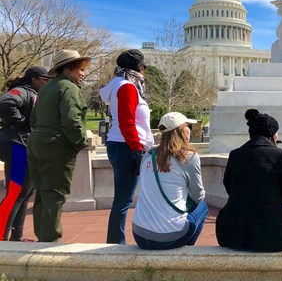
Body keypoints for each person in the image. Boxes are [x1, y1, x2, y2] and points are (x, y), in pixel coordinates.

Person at [27, 50, 90, 242]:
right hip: (56, 146)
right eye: (80, 69)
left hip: (36, 142)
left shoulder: (46, 88)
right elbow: (72, 121)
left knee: (42, 192)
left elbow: (33, 118)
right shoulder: (69, 88)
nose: (83, 73)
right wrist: (81, 142)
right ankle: (50, 241)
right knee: (55, 194)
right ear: (69, 68)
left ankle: (42, 237)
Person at [216, 109, 282, 252]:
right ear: (272, 133)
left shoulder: (235, 154)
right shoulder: (279, 154)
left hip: (233, 234)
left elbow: (229, 186)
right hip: (273, 235)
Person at [99, 49, 154, 244]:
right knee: (123, 200)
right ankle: (115, 243)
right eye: (143, 67)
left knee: (123, 199)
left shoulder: (117, 84)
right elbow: (127, 122)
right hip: (127, 145)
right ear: (138, 67)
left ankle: (116, 240)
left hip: (121, 144)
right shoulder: (128, 87)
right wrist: (137, 149)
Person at [132, 112, 207, 250]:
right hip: (170, 236)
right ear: (182, 131)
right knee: (203, 206)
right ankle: (188, 250)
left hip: (139, 234)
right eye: (188, 126)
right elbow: (198, 196)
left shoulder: (147, 156)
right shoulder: (188, 157)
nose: (190, 129)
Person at [0, 66, 52, 241]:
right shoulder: (23, 91)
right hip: (17, 145)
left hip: (22, 144)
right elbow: (5, 102)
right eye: (45, 80)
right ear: (34, 79)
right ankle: (1, 239)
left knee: (24, 194)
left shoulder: (32, 93)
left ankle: (16, 238)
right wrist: (22, 123)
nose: (47, 83)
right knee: (15, 193)